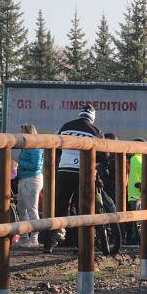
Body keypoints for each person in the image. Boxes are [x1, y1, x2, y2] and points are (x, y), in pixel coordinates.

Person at [45, 104, 104, 253]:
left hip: (64, 171)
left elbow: (56, 147)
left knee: (60, 206)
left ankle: (51, 241)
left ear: (80, 114)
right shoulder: (95, 131)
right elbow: (103, 155)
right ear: (92, 117)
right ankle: (82, 243)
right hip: (83, 173)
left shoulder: (66, 127)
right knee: (83, 207)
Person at [16, 124, 43, 247]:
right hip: (26, 178)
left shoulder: (34, 147)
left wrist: (20, 162)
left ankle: (33, 239)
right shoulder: (30, 146)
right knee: (22, 208)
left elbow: (35, 166)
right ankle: (26, 237)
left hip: (31, 178)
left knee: (31, 209)